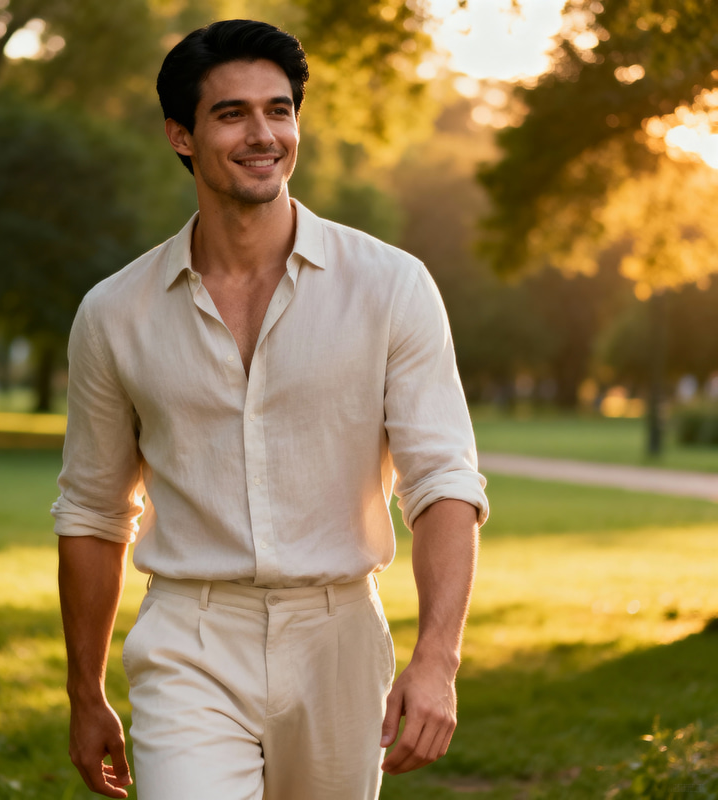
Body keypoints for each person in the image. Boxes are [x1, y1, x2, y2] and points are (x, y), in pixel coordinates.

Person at [53, 18, 488, 800]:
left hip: (339, 638)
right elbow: (91, 511)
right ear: (181, 135)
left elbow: (443, 481)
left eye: (279, 110)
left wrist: (438, 659)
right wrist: (85, 695)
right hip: (190, 635)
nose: (264, 134)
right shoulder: (114, 313)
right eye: (232, 114)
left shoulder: (391, 287)